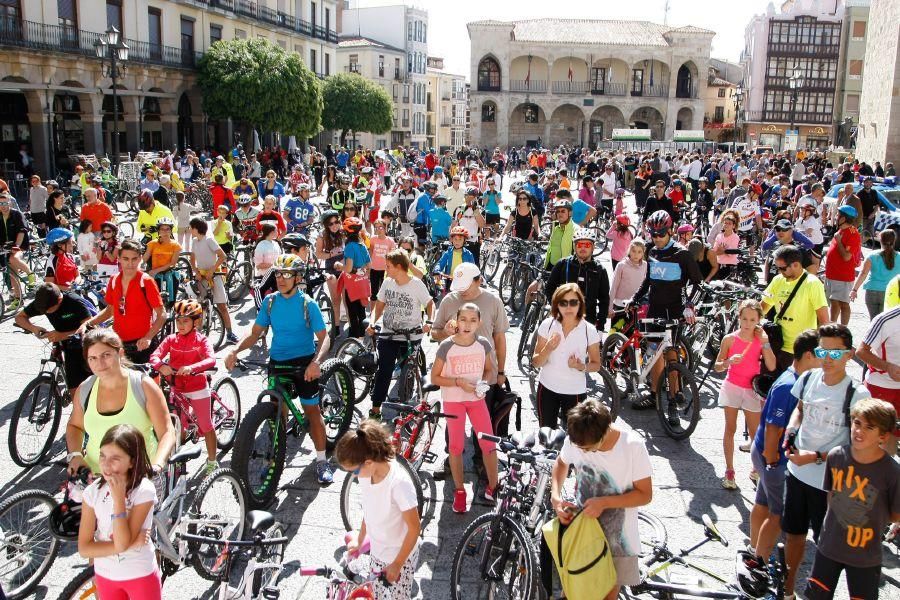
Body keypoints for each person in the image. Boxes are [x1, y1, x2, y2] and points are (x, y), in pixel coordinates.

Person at [226, 254, 334, 483]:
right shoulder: (271, 301)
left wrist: (316, 362)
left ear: (297, 277)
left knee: (312, 412)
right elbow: (255, 333)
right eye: (277, 274)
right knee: (277, 415)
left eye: (286, 274)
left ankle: (322, 460)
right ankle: (274, 460)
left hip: (304, 363)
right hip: (277, 363)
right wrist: (235, 351)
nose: (280, 279)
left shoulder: (308, 303)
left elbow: (325, 338)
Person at [781, 323, 871, 599]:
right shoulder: (808, 379)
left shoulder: (858, 394)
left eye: (836, 353)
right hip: (797, 473)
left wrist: (817, 456)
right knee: (793, 535)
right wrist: (791, 430)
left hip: (830, 484)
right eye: (823, 351)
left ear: (849, 354)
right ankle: (787, 589)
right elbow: (799, 410)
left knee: (826, 546)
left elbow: (858, 445)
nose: (828, 359)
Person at [549, 399, 653, 600]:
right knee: (573, 591)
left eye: (588, 448)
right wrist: (556, 496)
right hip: (582, 533)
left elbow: (645, 494)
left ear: (605, 431)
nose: (583, 451)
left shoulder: (632, 446)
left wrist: (605, 503)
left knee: (606, 595)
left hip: (617, 542)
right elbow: (561, 464)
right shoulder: (578, 439)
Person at [803, 398, 899, 600]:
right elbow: (831, 496)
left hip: (865, 554)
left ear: (883, 435)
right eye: (857, 423)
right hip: (829, 547)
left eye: (869, 427)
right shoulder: (837, 456)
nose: (859, 431)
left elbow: (894, 514)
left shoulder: (891, 472)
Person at [748, 329, 820, 569]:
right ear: (809, 355)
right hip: (773, 457)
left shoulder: (795, 379)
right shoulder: (789, 384)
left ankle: (753, 550)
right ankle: (760, 563)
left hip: (767, 454)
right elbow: (773, 427)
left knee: (763, 503)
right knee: (777, 514)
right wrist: (771, 460)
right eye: (822, 353)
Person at [65, 328, 176, 477]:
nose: (100, 363)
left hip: (139, 477)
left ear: (121, 353)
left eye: (106, 355)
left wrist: (157, 465)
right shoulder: (85, 389)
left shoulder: (143, 386)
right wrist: (76, 455)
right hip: (95, 477)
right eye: (93, 358)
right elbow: (75, 426)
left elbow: (167, 432)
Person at [335, 421, 421, 599]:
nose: (355, 475)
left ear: (368, 462)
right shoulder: (368, 475)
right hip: (378, 551)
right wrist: (360, 541)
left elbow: (414, 529)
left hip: (399, 556)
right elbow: (369, 510)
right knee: (379, 595)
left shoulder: (399, 484)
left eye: (355, 471)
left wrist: (397, 564)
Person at [78, 424, 162, 599]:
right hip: (105, 576)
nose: (106, 464)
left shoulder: (144, 490)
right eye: (102, 456)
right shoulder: (92, 492)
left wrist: (118, 500)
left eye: (115, 458)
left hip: (140, 575)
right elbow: (84, 548)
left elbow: (121, 541)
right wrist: (126, 545)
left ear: (132, 461)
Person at [430, 302, 500, 512]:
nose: (467, 324)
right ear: (457, 321)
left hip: (476, 399)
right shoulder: (447, 346)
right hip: (453, 399)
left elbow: (489, 371)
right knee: (456, 447)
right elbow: (435, 377)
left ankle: (493, 487)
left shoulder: (484, 344)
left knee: (488, 444)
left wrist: (483, 384)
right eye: (463, 319)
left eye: (472, 320)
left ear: (479, 322)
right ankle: (459, 491)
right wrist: (458, 382)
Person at [629, 210, 701, 409]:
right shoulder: (651, 250)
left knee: (671, 352)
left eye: (661, 234)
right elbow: (648, 281)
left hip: (675, 310)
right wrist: (635, 299)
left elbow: (697, 283)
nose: (657, 238)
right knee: (653, 351)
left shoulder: (682, 254)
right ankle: (654, 395)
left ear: (670, 231)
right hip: (655, 308)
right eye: (653, 234)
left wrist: (689, 305)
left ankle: (674, 394)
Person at [713, 300, 777, 490]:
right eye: (744, 319)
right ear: (739, 318)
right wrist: (727, 362)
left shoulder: (760, 341)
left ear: (759, 320)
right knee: (730, 429)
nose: (747, 323)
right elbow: (717, 366)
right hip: (732, 386)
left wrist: (765, 343)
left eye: (752, 319)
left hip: (751, 389)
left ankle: (756, 469)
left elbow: (772, 365)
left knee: (755, 432)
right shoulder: (730, 339)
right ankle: (729, 470)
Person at [150, 300, 218, 473]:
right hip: (177, 387)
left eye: (185, 321)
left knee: (206, 425)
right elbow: (155, 356)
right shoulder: (171, 339)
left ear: (196, 322)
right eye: (178, 321)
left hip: (197, 387)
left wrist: (192, 368)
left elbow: (211, 359)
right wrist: (160, 366)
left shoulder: (201, 340)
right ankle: (178, 460)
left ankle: (212, 461)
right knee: (178, 424)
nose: (180, 325)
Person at [366, 248, 434, 420]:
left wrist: (429, 322)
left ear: (398, 267)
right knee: (384, 371)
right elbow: (379, 306)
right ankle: (375, 410)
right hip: (389, 334)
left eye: (388, 266)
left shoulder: (417, 284)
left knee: (407, 372)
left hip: (411, 336)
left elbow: (430, 304)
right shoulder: (387, 282)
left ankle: (405, 407)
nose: (386, 269)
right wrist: (373, 322)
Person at [531, 284, 602, 429]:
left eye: (573, 302)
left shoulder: (589, 330)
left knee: (575, 440)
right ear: (557, 305)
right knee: (546, 436)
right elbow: (536, 362)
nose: (568, 307)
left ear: (580, 304)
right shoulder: (547, 325)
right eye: (563, 303)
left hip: (574, 392)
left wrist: (580, 366)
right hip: (547, 388)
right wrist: (548, 348)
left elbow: (596, 364)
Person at [85, 239, 167, 364]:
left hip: (142, 345)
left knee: (147, 383)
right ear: (119, 258)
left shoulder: (146, 281)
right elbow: (110, 310)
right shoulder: (114, 280)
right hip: (119, 344)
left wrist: (148, 338)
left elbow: (162, 314)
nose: (130, 263)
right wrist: (89, 323)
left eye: (134, 259)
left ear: (140, 258)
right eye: (126, 259)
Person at [761, 245, 830, 371]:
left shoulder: (812, 284)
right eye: (777, 268)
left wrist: (819, 350)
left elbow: (824, 320)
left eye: (782, 268)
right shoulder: (777, 280)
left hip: (800, 350)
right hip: (776, 344)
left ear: (796, 265)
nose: (779, 272)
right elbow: (763, 308)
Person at [15, 282, 95, 390]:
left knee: (81, 386)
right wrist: (34, 328)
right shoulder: (43, 302)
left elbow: (91, 329)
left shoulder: (74, 302)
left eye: (48, 310)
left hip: (84, 343)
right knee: (73, 386)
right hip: (65, 341)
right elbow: (19, 317)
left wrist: (64, 335)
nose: (46, 312)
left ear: (59, 300)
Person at [545, 228, 610, 329]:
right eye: (580, 245)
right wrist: (556, 308)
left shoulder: (599, 270)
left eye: (587, 245)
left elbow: (604, 300)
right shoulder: (563, 264)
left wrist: (600, 326)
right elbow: (549, 287)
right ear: (575, 247)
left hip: (587, 321)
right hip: (562, 317)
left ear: (593, 247)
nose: (583, 248)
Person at [189, 217, 238, 344]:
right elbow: (192, 259)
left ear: (196, 228)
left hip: (214, 276)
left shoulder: (209, 240)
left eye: (191, 227)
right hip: (202, 277)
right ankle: (199, 333)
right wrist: (196, 272)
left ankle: (230, 333)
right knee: (201, 306)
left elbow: (222, 256)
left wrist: (212, 270)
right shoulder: (194, 241)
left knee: (222, 306)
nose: (190, 230)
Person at [824, 205, 862, 326]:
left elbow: (846, 256)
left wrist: (839, 241)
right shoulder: (840, 231)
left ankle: (843, 329)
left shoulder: (852, 233)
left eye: (838, 215)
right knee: (833, 302)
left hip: (842, 276)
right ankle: (832, 326)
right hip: (831, 274)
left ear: (844, 218)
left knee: (843, 304)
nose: (835, 216)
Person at [851, 229, 900, 320]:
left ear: (880, 240)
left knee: (873, 320)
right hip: (891, 292)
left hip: (872, 291)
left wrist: (854, 290)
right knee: (886, 322)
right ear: (894, 241)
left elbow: (863, 274)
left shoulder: (872, 256)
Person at [142, 217, 181, 306]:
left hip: (169, 273)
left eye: (167, 229)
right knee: (152, 301)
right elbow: (144, 259)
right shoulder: (152, 243)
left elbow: (172, 263)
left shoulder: (176, 245)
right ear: (158, 231)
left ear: (171, 231)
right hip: (154, 275)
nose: (165, 232)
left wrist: (156, 270)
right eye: (162, 229)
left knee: (171, 302)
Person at [609, 239, 647, 322]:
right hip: (619, 304)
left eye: (639, 252)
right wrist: (610, 306)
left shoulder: (645, 265)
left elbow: (644, 285)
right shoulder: (621, 265)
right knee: (615, 331)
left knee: (631, 332)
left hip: (634, 305)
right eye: (633, 251)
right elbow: (614, 286)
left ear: (643, 253)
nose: (636, 254)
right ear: (629, 251)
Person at [368, 219, 396, 300]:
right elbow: (370, 252)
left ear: (385, 228)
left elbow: (392, 257)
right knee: (374, 293)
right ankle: (373, 312)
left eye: (380, 227)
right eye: (376, 228)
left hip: (385, 270)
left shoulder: (390, 241)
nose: (378, 229)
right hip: (374, 269)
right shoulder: (373, 239)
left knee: (386, 293)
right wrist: (368, 268)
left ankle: (384, 311)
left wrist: (390, 270)